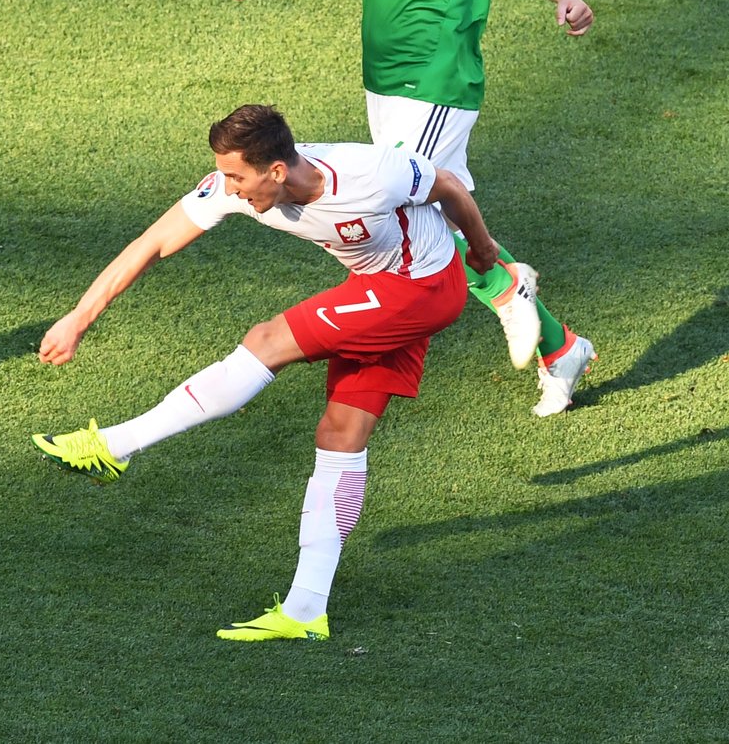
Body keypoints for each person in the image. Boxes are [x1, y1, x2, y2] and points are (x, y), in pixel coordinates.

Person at [34, 104, 498, 642]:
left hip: (420, 290)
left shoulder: (371, 173)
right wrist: (79, 318)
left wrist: (483, 249)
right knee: (340, 436)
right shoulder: (235, 187)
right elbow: (153, 242)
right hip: (377, 291)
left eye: (236, 176)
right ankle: (306, 611)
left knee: (266, 340)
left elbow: (445, 185)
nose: (228, 188)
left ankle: (116, 445)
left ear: (276, 171)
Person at [216, 0, 595, 417]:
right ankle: (560, 347)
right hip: (383, 77)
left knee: (398, 201)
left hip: (440, 76)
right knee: (424, 212)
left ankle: (506, 287)